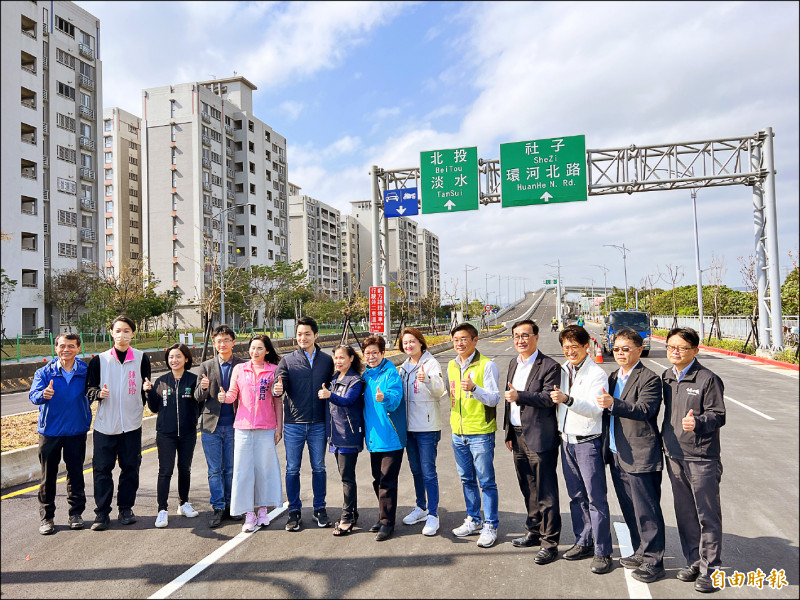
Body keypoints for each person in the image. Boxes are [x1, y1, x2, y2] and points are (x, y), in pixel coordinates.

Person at [597, 328, 665, 583]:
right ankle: (640, 550)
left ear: (639, 350)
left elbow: (646, 409)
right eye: (616, 349)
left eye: (626, 349)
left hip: (641, 454)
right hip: (617, 453)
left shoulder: (649, 378)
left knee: (647, 510)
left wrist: (613, 404)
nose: (620, 353)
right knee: (629, 508)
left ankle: (654, 562)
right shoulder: (614, 376)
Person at [661, 328, 726, 594]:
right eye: (670, 346)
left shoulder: (708, 379)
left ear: (695, 351)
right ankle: (695, 562)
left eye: (681, 347)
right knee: (685, 514)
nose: (674, 351)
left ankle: (711, 569)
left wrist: (697, 422)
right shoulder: (666, 377)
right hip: (674, 454)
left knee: (707, 515)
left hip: (701, 457)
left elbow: (718, 414)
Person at [549, 325, 613, 574]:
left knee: (596, 498)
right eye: (565, 346)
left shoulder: (596, 374)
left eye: (574, 346)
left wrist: (568, 400)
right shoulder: (564, 370)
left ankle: (603, 551)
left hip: (588, 442)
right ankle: (583, 541)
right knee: (576, 496)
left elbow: (595, 409)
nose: (569, 351)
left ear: (587, 346)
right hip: (567, 442)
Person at [502, 319, 562, 563]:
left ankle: (550, 542)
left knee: (546, 491)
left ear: (536, 337)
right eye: (516, 336)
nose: (520, 340)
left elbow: (549, 398)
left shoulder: (549, 365)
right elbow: (508, 400)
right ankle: (534, 529)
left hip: (540, 436)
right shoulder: (512, 362)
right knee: (527, 486)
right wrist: (508, 432)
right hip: (517, 435)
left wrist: (520, 396)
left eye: (525, 335)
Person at [86, 315, 152, 531]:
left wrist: (143, 398)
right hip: (105, 425)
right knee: (102, 470)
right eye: (118, 330)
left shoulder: (142, 359)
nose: (122, 334)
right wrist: (99, 393)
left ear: (133, 334)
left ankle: (126, 508)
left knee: (130, 467)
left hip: (132, 425)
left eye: (127, 331)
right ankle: (102, 513)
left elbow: (146, 387)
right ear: (111, 333)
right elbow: (89, 389)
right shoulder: (100, 360)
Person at [274, 317, 335, 531]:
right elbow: (278, 383)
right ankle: (294, 512)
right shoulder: (287, 360)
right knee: (292, 469)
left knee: (319, 467)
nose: (303, 338)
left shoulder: (327, 360)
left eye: (307, 333)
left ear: (316, 335)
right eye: (299, 334)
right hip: (294, 424)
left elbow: (335, 384)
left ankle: (320, 509)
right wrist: (277, 389)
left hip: (318, 422)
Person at [29, 333, 92, 534]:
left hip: (76, 430)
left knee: (75, 474)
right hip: (50, 432)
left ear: (78, 348)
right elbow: (33, 395)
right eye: (62, 346)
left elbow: (92, 393)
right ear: (56, 348)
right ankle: (47, 518)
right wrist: (43, 395)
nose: (66, 350)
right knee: (48, 476)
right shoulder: (44, 373)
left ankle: (76, 514)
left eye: (71, 346)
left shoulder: (86, 371)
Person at [448, 323, 501, 549]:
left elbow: (494, 399)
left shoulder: (487, 365)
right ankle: (474, 519)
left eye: (464, 339)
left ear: (475, 340)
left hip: (480, 432)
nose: (459, 343)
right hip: (458, 433)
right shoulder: (451, 364)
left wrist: (474, 389)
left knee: (486, 481)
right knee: (466, 479)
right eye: (456, 340)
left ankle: (491, 524)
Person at [225, 335, 284, 533]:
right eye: (252, 348)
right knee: (243, 471)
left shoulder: (274, 370)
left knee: (264, 469)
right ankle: (248, 513)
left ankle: (263, 509)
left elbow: (277, 401)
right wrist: (223, 397)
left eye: (260, 348)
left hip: (266, 427)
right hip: (242, 427)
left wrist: (279, 427)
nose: (255, 352)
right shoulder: (240, 369)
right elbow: (233, 394)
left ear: (267, 350)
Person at [398, 327, 447, 537]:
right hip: (409, 427)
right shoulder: (403, 367)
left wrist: (426, 379)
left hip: (426, 427)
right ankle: (421, 507)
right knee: (416, 470)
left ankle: (433, 514)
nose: (409, 345)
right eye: (405, 343)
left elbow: (440, 391)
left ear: (421, 342)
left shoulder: (431, 363)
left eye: (412, 341)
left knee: (428, 472)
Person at [145, 344, 201, 528]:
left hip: (187, 433)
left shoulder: (194, 380)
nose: (174, 360)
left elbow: (200, 404)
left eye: (178, 356)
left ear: (186, 359)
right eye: (170, 357)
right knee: (165, 471)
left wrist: (191, 419)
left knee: (185, 469)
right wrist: (148, 392)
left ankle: (183, 503)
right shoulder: (161, 381)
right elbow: (153, 408)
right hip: (165, 434)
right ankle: (162, 510)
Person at [195, 325, 245, 528]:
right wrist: (204, 388)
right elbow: (198, 397)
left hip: (235, 424)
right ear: (214, 344)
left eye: (226, 340)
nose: (222, 344)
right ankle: (218, 507)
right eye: (218, 341)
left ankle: (232, 505)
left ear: (233, 342)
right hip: (211, 426)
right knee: (215, 470)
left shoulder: (242, 365)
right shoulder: (206, 366)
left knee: (231, 469)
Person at [361, 335, 405, 541]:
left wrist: (384, 397)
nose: (371, 357)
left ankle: (388, 523)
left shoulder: (390, 373)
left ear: (382, 353)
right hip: (374, 438)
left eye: (374, 353)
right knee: (377, 479)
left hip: (391, 436)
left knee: (387, 480)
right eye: (367, 353)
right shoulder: (366, 377)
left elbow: (395, 399)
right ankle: (382, 516)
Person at [319, 345, 365, 536]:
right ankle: (352, 512)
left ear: (351, 359)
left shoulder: (355, 381)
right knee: (344, 476)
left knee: (347, 478)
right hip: (335, 435)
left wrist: (330, 395)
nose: (338, 361)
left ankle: (346, 518)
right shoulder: (333, 378)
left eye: (342, 358)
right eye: (336, 358)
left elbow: (347, 401)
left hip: (348, 435)